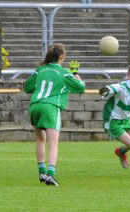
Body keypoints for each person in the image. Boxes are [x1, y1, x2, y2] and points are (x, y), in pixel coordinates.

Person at [24, 43, 86, 186]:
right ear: (62, 57)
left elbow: (27, 87)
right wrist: (75, 73)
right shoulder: (64, 73)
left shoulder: (39, 70)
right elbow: (81, 88)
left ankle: (41, 172)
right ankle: (50, 175)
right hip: (50, 107)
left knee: (40, 140)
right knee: (53, 143)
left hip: (35, 106)